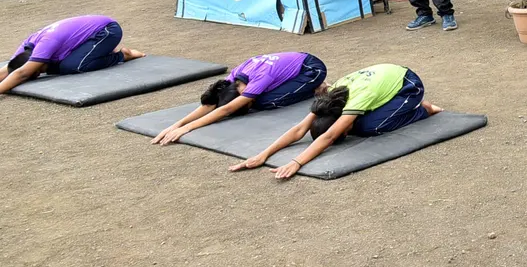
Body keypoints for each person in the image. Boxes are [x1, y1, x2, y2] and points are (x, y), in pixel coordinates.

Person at [228, 64, 443, 180]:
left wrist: (297, 162)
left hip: (407, 82)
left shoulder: (354, 102)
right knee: (361, 123)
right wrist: (264, 154)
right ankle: (391, 103)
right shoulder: (328, 102)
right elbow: (299, 130)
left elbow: (329, 136)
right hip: (381, 78)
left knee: (370, 126)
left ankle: (424, 109)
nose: (347, 134)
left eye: (345, 131)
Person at [149, 52, 328, 145]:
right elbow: (212, 103)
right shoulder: (233, 78)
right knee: (259, 99)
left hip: (311, 68)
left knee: (265, 102)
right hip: (291, 65)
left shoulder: (258, 80)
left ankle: (316, 87)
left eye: (245, 102)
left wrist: (187, 128)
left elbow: (226, 109)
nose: (248, 105)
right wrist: (176, 125)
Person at [1, 15, 144, 94]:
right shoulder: (26, 48)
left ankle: (122, 55)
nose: (39, 75)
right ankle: (98, 51)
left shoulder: (46, 44)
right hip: (88, 37)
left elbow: (22, 74)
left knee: (73, 66)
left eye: (37, 72)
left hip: (107, 31)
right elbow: (10, 69)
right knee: (58, 67)